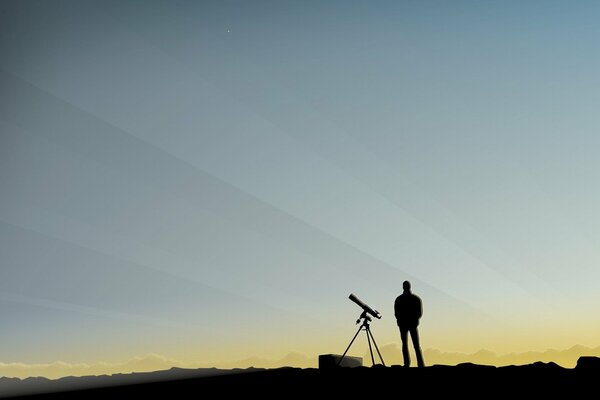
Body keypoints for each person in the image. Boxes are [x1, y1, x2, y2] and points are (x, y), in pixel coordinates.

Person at [394, 280, 425, 368]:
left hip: (406, 324)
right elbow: (419, 313)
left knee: (406, 344)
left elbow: (396, 313)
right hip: (411, 324)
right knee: (414, 345)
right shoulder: (415, 299)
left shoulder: (399, 299)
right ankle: (420, 364)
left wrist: (401, 320)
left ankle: (408, 363)